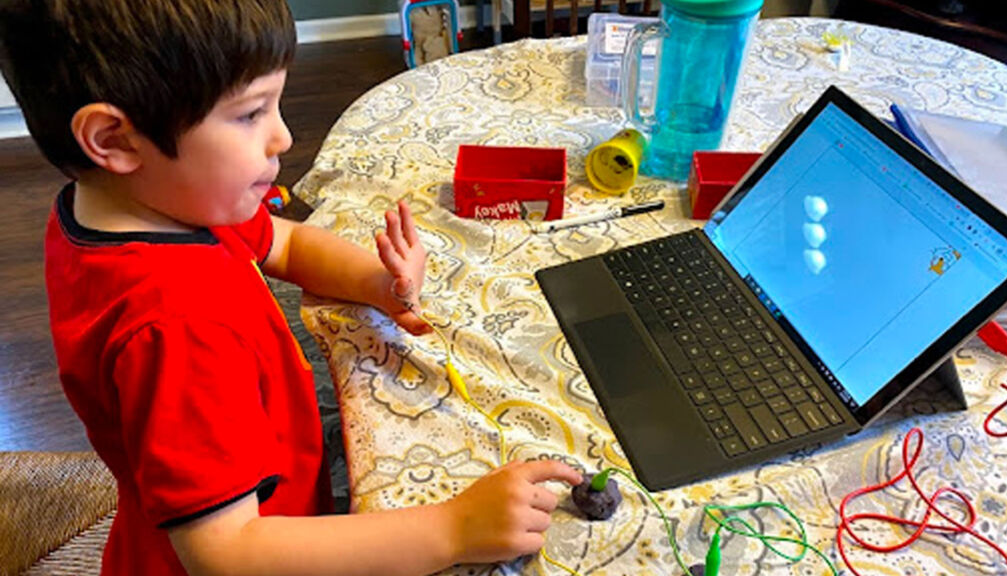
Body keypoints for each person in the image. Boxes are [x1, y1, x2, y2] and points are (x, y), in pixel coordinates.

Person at [0, 1, 582, 575]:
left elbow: (285, 243)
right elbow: (226, 552)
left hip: (244, 487)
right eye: (250, 114)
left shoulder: (144, 202)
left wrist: (377, 283)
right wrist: (454, 528)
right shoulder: (178, 330)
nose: (283, 136)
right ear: (115, 140)